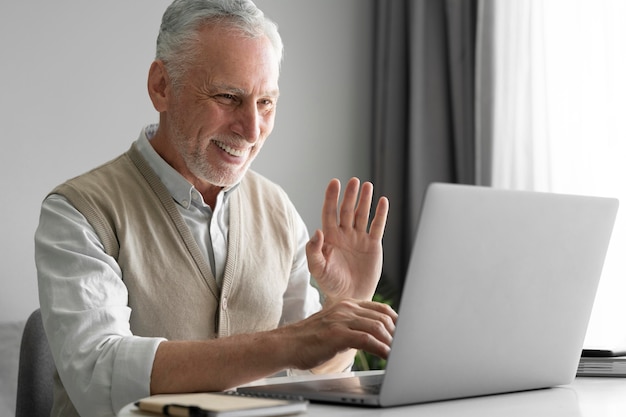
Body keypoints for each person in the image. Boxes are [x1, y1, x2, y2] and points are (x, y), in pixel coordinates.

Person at [34, 1, 395, 416]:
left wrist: (343, 307)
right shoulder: (78, 212)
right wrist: (292, 341)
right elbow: (98, 376)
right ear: (161, 86)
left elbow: (310, 379)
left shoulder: (277, 210)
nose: (252, 130)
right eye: (228, 97)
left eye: (266, 103)